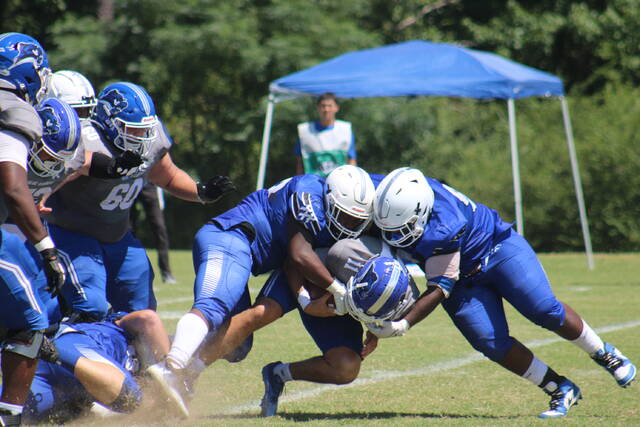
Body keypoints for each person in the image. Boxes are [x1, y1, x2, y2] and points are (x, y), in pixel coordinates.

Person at [369, 167, 637, 419]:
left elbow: (441, 286)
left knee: (543, 308)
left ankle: (605, 354)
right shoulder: (390, 190)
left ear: (423, 211)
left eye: (401, 230)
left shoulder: (445, 224)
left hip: (495, 249)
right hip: (463, 278)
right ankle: (559, 388)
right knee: (490, 342)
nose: (394, 237)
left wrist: (403, 324)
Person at [147, 165, 376, 418]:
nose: (348, 226)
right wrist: (337, 290)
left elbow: (293, 259)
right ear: (330, 200)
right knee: (213, 307)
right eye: (345, 217)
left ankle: (152, 351)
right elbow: (300, 253)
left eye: (356, 221)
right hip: (231, 238)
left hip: (250, 256)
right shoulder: (309, 193)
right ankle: (172, 368)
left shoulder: (330, 217)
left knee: (237, 346)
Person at [42, 81, 235, 321]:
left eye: (143, 130)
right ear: (109, 122)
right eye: (131, 129)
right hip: (74, 236)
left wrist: (200, 191)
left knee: (142, 308)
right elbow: (64, 170)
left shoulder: (151, 139)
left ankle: (134, 356)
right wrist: (43, 196)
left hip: (119, 237)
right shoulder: (87, 138)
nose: (141, 136)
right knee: (90, 306)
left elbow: (168, 175)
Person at [0, 32, 67, 427]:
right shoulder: (16, 109)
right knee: (31, 322)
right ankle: (9, 418)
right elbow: (12, 184)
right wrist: (46, 247)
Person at [23, 309, 171, 423]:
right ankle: (51, 351)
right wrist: (170, 371)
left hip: (60, 384)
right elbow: (148, 318)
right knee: (131, 398)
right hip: (72, 346)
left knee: (11, 414)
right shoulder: (117, 329)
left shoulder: (140, 379)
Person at [294, 92, 357, 177]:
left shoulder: (345, 130)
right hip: (313, 184)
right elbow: (299, 161)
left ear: (336, 108)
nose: (326, 109)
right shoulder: (305, 131)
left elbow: (351, 160)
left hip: (340, 182)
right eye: (323, 106)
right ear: (318, 108)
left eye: (330, 106)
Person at [131, 182, 176, 284]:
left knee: (160, 228)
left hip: (149, 183)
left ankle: (166, 272)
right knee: (129, 228)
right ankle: (130, 270)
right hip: (131, 182)